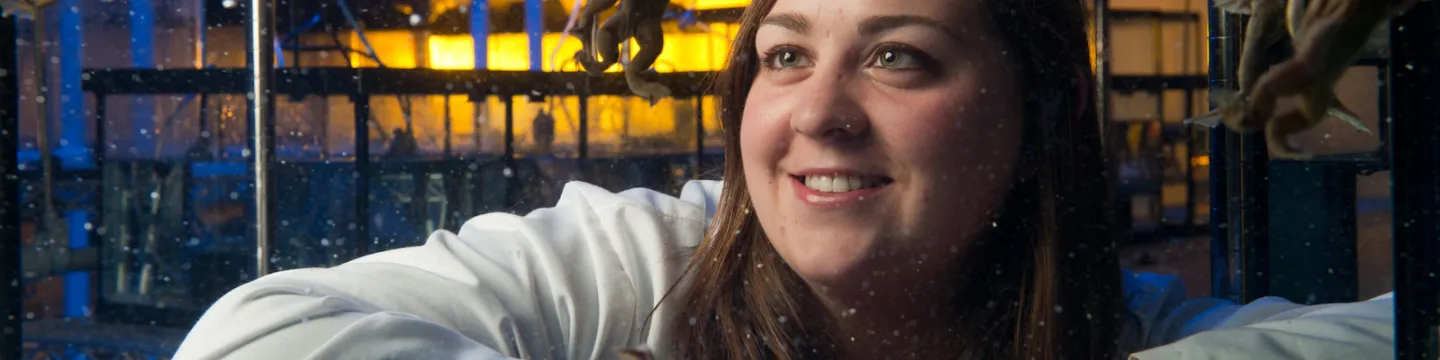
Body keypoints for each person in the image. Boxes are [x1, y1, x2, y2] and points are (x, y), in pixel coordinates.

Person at [173, 0, 1395, 359]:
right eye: (784, 55)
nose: (816, 112)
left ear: (1040, 108)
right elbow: (254, 336)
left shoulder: (1130, 329)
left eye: (898, 57)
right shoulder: (646, 262)